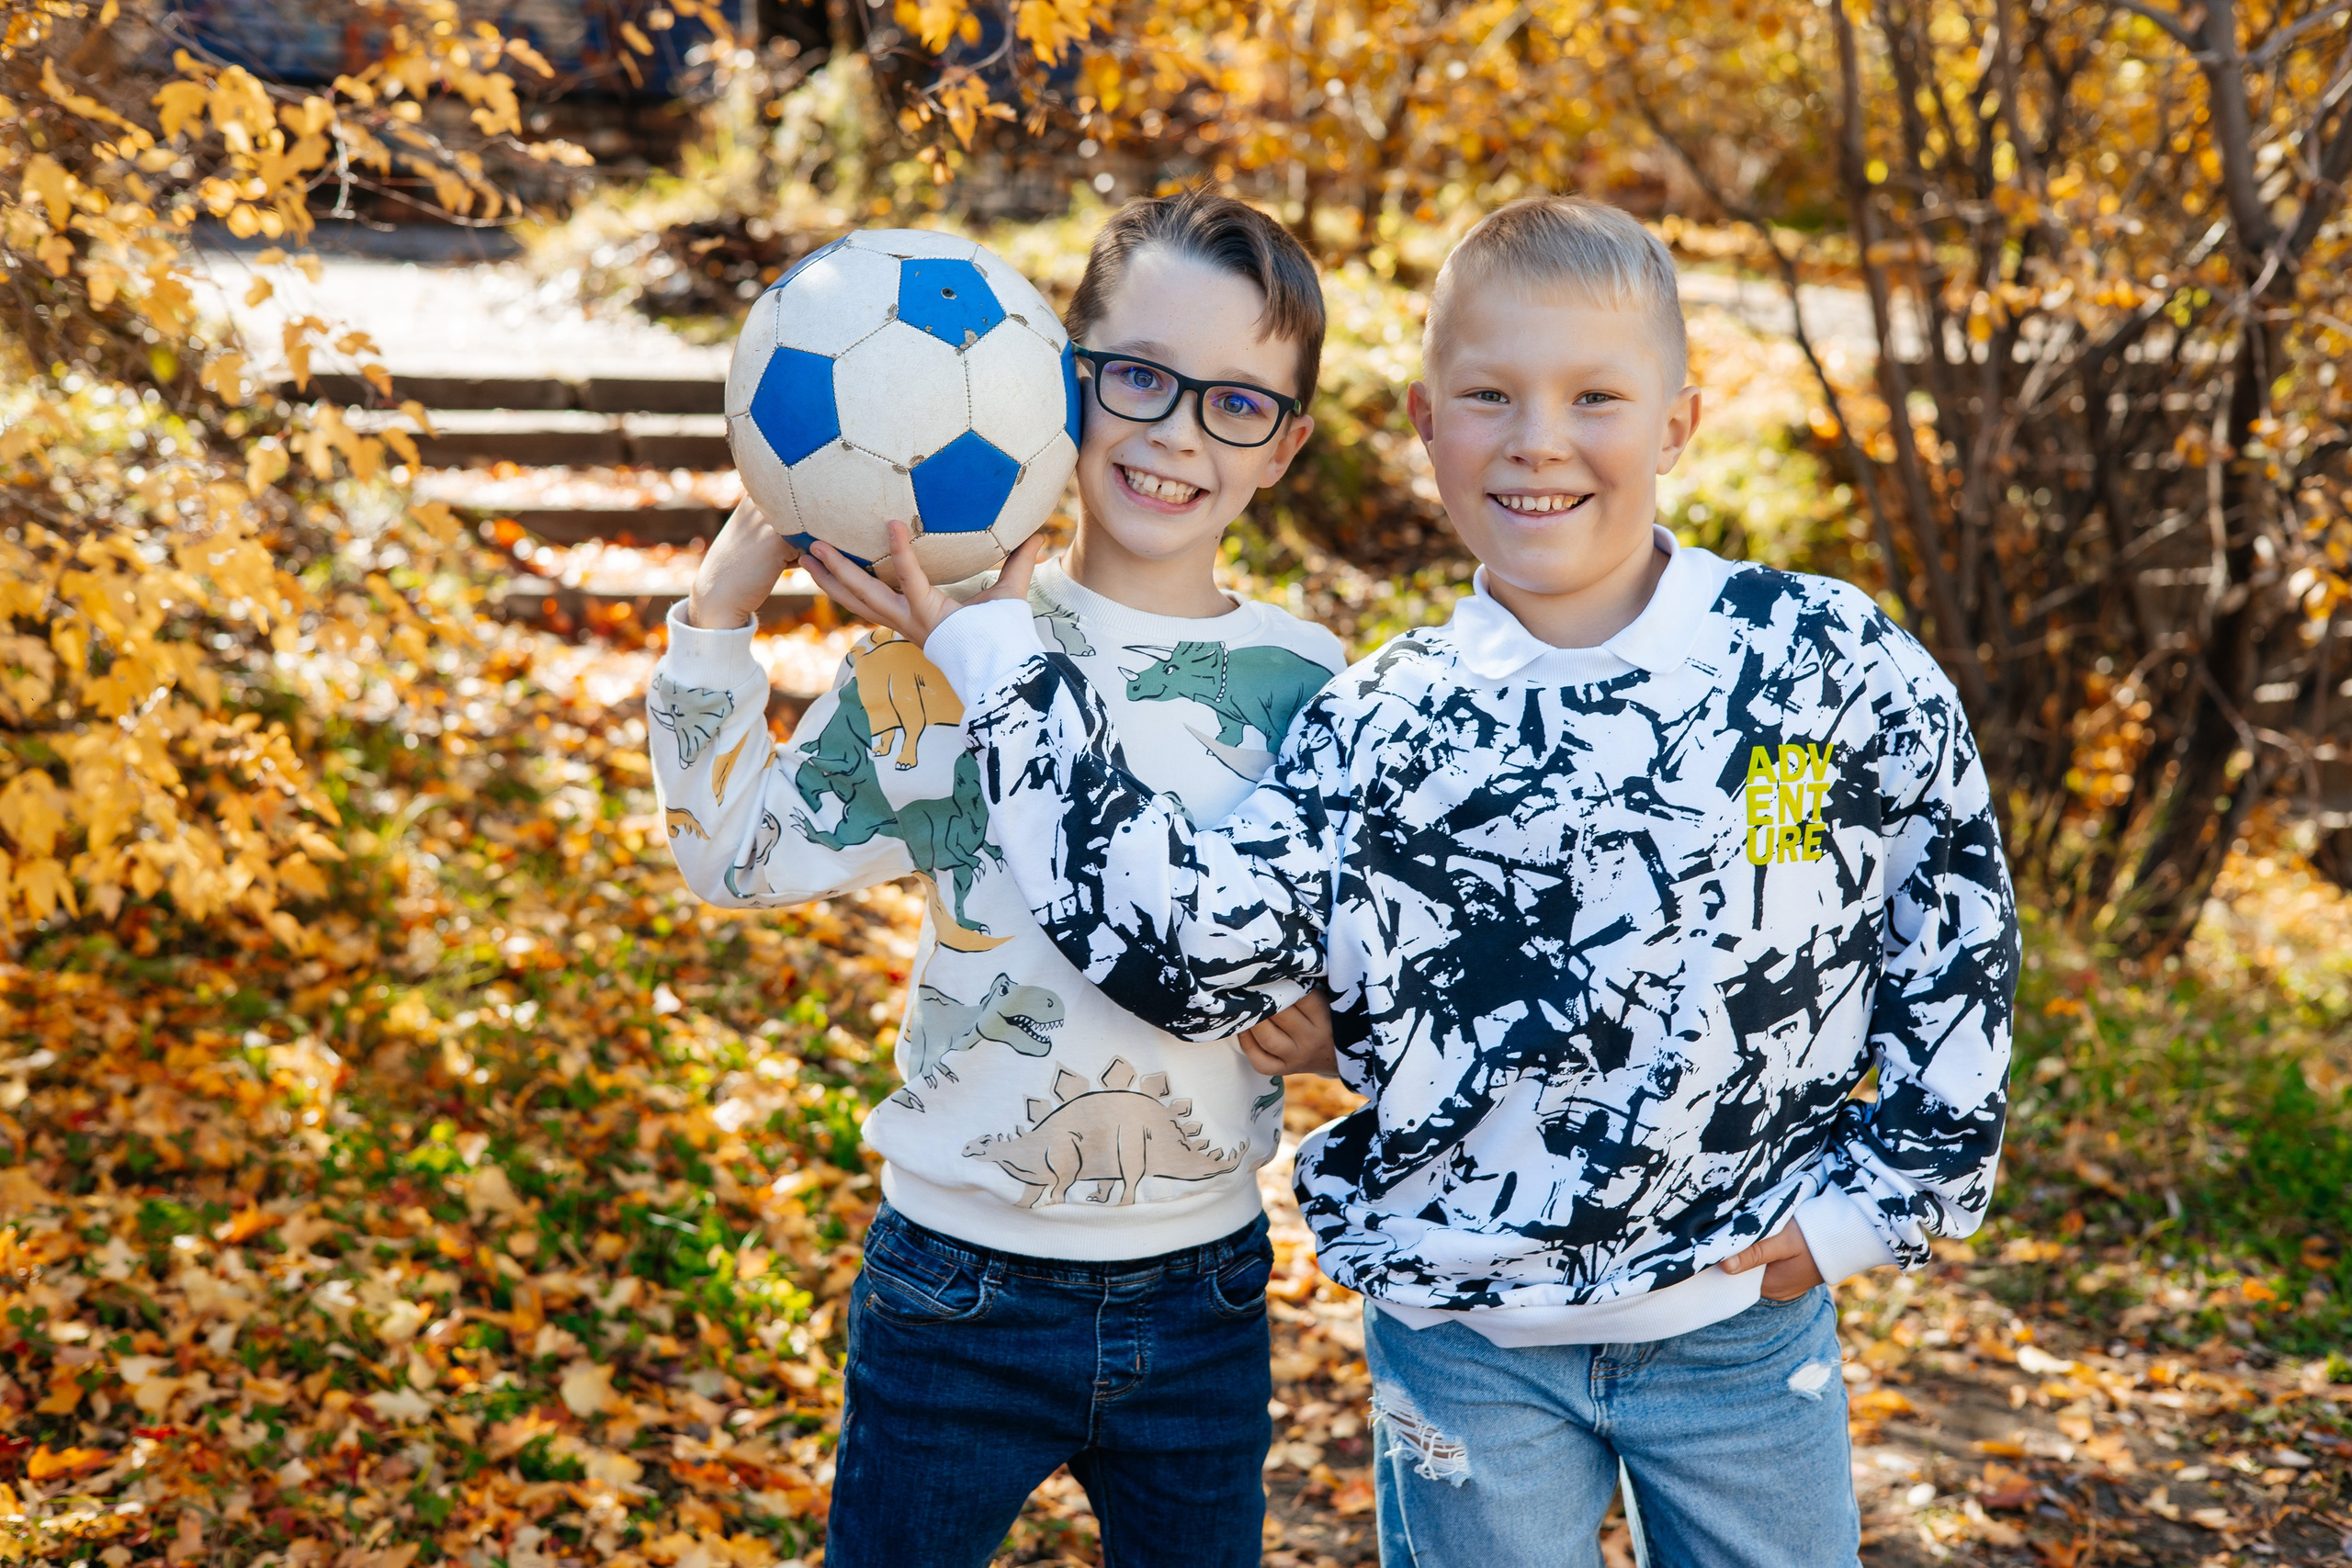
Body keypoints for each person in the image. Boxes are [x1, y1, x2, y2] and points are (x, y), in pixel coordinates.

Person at [807, 195, 2021, 1568]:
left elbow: (1940, 921)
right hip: (1468, 1350)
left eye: (1595, 397)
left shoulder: (1810, 669)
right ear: (1425, 423)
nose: (1539, 440)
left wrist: (1881, 1199)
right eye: (1489, 396)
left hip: (1738, 1333)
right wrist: (993, 660)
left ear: (1678, 422)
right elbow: (1196, 950)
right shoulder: (1384, 721)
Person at [646, 188, 1350, 1568]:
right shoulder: (938, 653)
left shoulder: (1308, 684)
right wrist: (724, 607)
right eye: (1137, 378)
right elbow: (732, 856)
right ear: (1055, 379)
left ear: (1286, 448)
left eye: (1237, 405)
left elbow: (1339, 958)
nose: (1172, 434)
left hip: (1202, 1293)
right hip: (953, 1293)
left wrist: (1339, 1034)